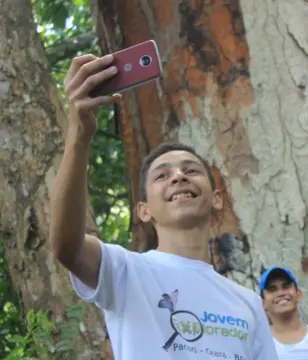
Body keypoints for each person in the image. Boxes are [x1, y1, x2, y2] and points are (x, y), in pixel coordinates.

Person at [49, 54, 277, 359]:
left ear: (216, 198)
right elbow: (67, 248)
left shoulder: (248, 304)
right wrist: (79, 134)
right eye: (162, 175)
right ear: (144, 211)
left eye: (191, 170)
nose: (179, 177)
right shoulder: (125, 272)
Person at [259, 266, 308, 360]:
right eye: (272, 289)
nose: (281, 293)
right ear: (263, 303)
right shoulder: (258, 343)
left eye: (286, 286)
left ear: (298, 294)